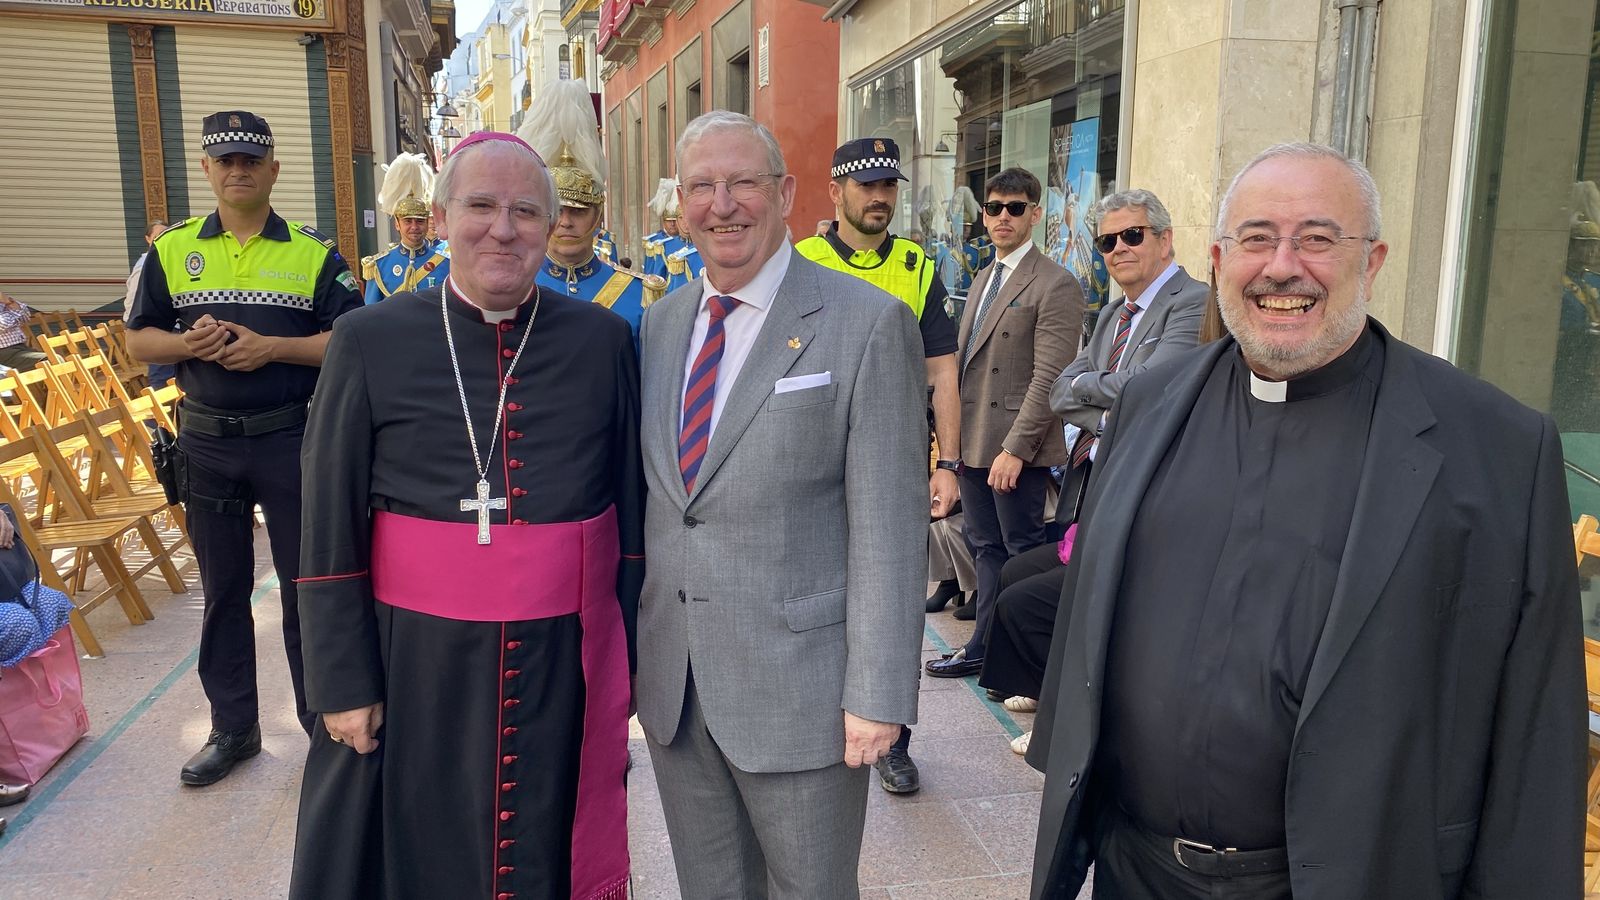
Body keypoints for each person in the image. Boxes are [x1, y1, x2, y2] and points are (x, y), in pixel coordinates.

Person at [1027, 143, 1585, 899]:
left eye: (1318, 239)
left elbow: (1536, 733)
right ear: (1221, 259)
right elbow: (1093, 610)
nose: (1282, 267)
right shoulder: (1147, 405)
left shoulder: (1497, 447)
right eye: (1256, 239)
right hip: (1136, 868)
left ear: (1374, 259)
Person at [290, 130, 642, 900]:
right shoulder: (367, 340)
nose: (503, 228)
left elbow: (633, 515)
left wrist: (631, 658)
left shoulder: (604, 340)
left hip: (559, 662)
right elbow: (327, 522)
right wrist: (341, 680)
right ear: (441, 217)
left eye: (525, 210)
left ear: (553, 228)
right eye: (480, 206)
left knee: (547, 845)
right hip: (412, 658)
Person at [635, 111, 926, 898]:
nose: (722, 204)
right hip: (679, 687)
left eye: (743, 183)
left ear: (786, 192)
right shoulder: (658, 328)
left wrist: (879, 695)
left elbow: (891, 530)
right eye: (702, 185)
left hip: (806, 696)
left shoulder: (867, 323)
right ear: (681, 201)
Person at [125, 109, 361, 786]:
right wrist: (184, 345)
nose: (237, 170)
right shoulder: (168, 253)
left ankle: (325, 726)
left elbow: (351, 340)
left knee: (306, 586)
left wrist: (275, 348)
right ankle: (234, 729)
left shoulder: (314, 253)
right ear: (206, 168)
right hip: (205, 444)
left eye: (250, 160)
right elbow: (137, 338)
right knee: (223, 591)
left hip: (289, 439)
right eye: (225, 160)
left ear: (273, 170)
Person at [979, 188, 1208, 739]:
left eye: (1133, 235)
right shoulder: (1111, 312)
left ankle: (1068, 723)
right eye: (1107, 240)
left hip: (1148, 494)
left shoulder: (1193, 303)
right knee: (1016, 572)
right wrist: (1103, 399)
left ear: (1165, 239)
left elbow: (1153, 388)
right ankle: (1044, 689)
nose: (1119, 249)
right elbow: (1062, 388)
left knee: (1055, 600)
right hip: (1093, 483)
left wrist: (1094, 399)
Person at [793, 136, 962, 795]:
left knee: (894, 599)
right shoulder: (800, 261)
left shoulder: (919, 268)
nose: (880, 198)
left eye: (888, 186)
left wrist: (947, 461)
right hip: (813, 462)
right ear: (835, 192)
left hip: (895, 465)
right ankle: (813, 719)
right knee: (810, 595)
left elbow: (943, 373)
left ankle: (894, 739)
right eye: (866, 187)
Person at [926, 167, 1083, 679]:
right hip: (974, 441)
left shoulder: (1055, 284)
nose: (1002, 218)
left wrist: (1015, 449)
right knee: (984, 549)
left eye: (1015, 208)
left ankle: (1019, 658)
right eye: (993, 208)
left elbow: (1050, 377)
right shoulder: (982, 277)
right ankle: (984, 647)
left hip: (1016, 449)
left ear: (1035, 214)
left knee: (1020, 554)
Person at [517, 80, 664, 336]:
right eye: (557, 210)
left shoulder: (640, 294)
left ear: (598, 214)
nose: (565, 221)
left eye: (579, 210)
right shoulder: (514, 290)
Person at [360, 152, 449, 304]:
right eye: (408, 221)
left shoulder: (446, 265)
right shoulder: (379, 266)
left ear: (427, 223)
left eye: (420, 221)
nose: (414, 227)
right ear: (397, 223)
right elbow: (370, 315)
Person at [125, 220, 176, 387]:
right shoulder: (145, 267)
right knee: (162, 381)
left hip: (174, 332)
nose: (162, 238)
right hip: (158, 331)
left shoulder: (169, 259)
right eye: (157, 236)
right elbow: (136, 304)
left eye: (165, 234)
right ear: (148, 239)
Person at [643, 177, 690, 283]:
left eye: (675, 220)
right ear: (663, 221)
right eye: (669, 220)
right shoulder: (662, 246)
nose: (673, 224)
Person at [0, 291, 45, 373]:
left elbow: (25, 317)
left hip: (20, 347)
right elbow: (1, 324)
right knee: (49, 360)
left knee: (56, 360)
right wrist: (15, 314)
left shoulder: (4, 302)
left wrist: (9, 302)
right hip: (4, 353)